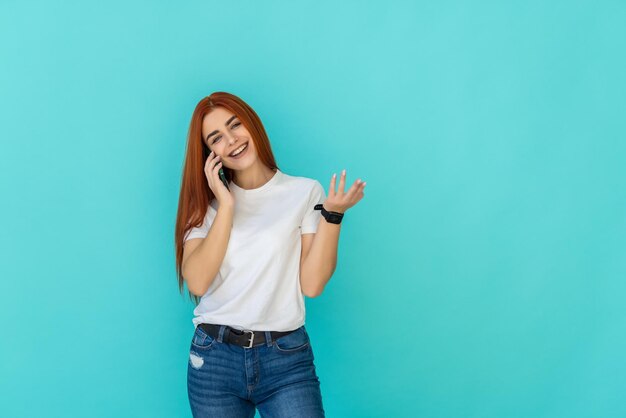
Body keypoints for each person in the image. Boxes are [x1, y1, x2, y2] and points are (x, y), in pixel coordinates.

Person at [174, 91, 366, 417]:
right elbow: (197, 281)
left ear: (253, 124)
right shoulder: (206, 204)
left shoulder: (304, 192)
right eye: (217, 138)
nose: (232, 140)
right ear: (210, 153)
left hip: (286, 358)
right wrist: (227, 205)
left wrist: (332, 216)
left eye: (236, 125)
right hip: (214, 359)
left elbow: (312, 284)